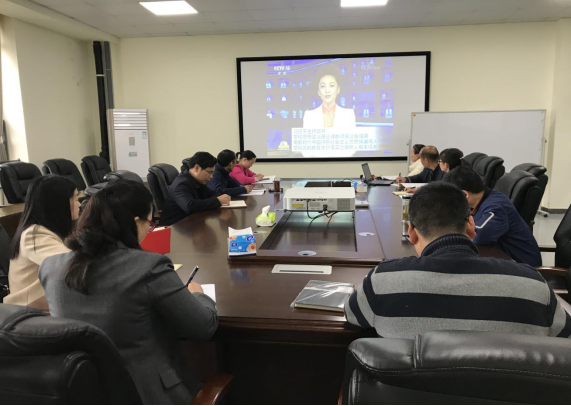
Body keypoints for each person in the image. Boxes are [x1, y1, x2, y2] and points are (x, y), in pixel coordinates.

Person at [39, 180, 219, 405]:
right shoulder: (148, 267)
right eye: (149, 223)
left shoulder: (50, 266)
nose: (149, 229)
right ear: (135, 221)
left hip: (81, 392)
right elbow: (203, 327)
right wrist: (200, 295)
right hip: (148, 395)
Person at [344, 182, 570, 340]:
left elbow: (352, 316)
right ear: (471, 225)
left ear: (411, 233)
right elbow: (564, 335)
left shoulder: (383, 282)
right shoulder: (532, 284)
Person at [4, 175, 80, 306]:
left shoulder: (48, 230)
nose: (79, 205)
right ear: (59, 204)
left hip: (46, 303)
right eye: (76, 199)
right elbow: (71, 264)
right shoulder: (34, 235)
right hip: (30, 310)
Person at [443, 166, 542, 267]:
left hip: (523, 268)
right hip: (503, 259)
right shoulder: (484, 198)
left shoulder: (496, 207)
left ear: (465, 195)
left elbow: (478, 236)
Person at [161, 152, 231, 226]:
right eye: (209, 172)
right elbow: (190, 206)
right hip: (174, 227)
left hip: (191, 222)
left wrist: (218, 199)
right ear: (197, 168)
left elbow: (213, 193)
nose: (211, 177)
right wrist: (217, 201)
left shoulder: (198, 181)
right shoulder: (181, 184)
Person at [303, 64, 356, 129]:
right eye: (323, 86)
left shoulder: (349, 115)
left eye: (331, 85)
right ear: (318, 91)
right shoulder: (309, 116)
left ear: (338, 89)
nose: (327, 90)